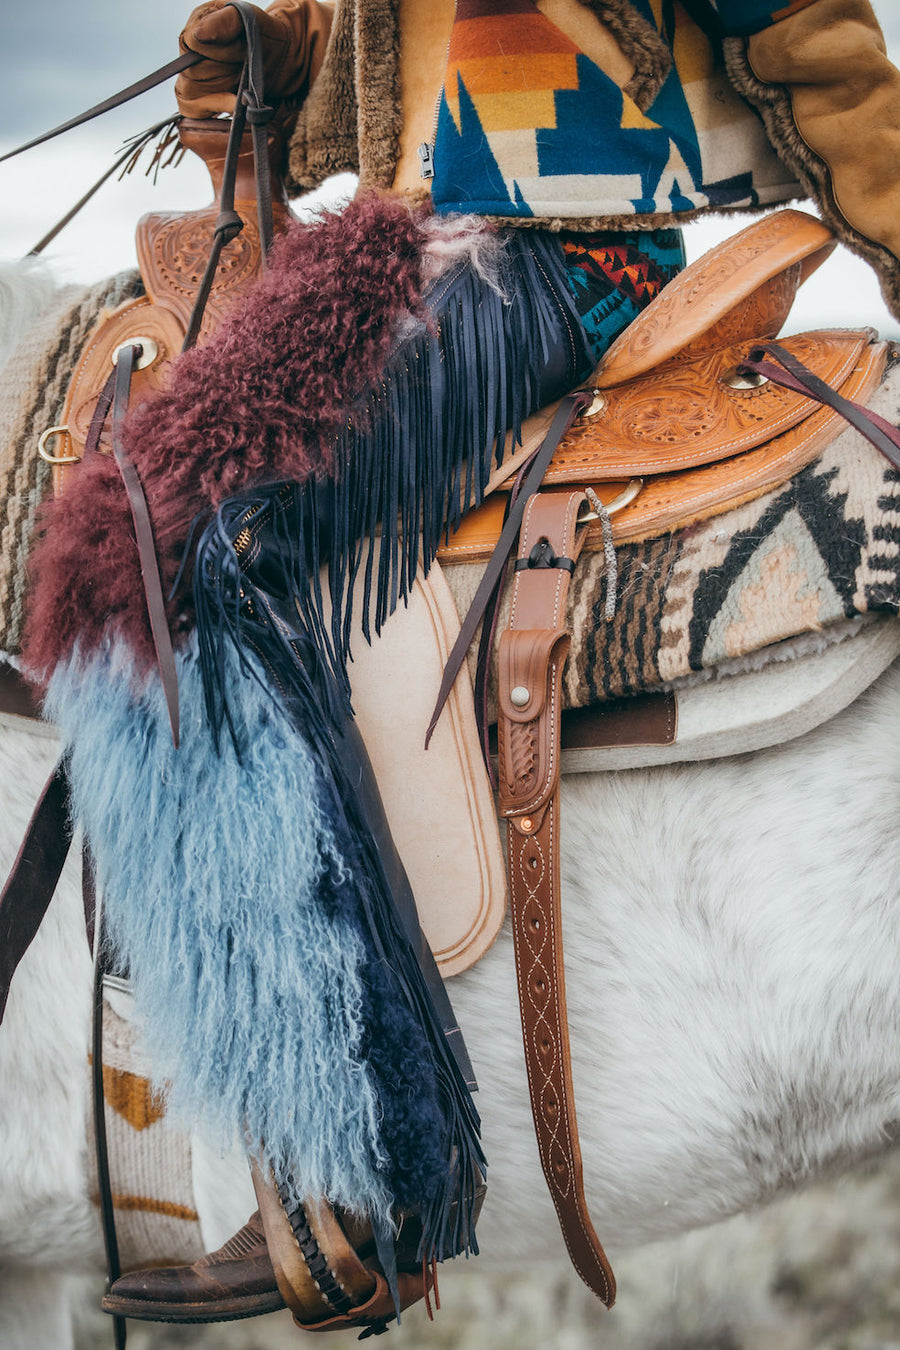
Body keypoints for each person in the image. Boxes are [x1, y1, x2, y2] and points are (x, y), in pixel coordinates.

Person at [44, 0, 900, 1332]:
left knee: (191, 549)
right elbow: (394, 72)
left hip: (567, 260)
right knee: (120, 541)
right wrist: (278, 63)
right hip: (412, 249)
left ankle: (364, 1156)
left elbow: (805, 35)